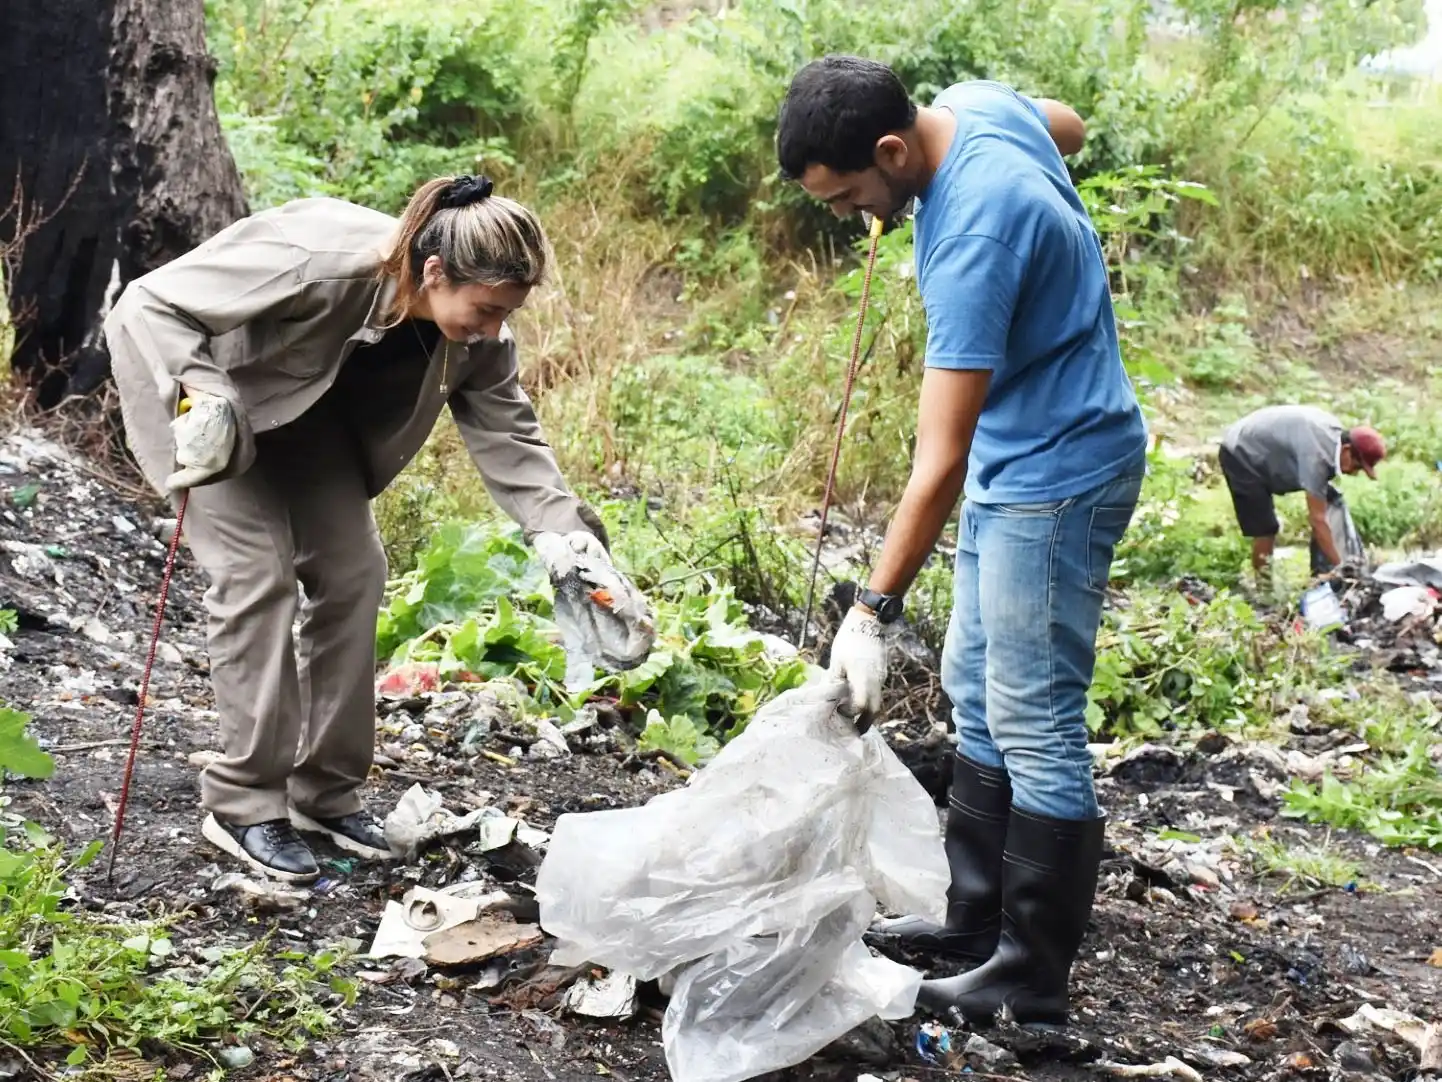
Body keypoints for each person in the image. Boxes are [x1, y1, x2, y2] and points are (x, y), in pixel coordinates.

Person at [105, 175, 620, 883]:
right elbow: (147, 305)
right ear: (434, 271)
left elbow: (510, 434)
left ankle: (325, 793)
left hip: (305, 418)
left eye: (508, 313)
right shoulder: (316, 259)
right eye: (487, 309)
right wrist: (207, 393)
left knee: (354, 573)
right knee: (256, 577)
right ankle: (245, 804)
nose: (495, 329)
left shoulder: (476, 337)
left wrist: (572, 543)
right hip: (212, 409)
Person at [777, 57, 1148, 1026]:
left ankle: (1030, 977)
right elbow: (1062, 122)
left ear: (891, 149)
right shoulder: (972, 112)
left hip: (1056, 472)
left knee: (1032, 716)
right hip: (1016, 453)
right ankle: (973, 922)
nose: (851, 216)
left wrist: (869, 609)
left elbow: (934, 460)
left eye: (850, 194)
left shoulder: (973, 233)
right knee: (974, 686)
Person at [1218, 405, 1384, 583]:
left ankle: (1323, 569)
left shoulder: (1333, 438)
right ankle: (1263, 589)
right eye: (1357, 466)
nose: (1353, 472)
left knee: (1332, 500)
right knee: (1266, 528)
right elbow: (1317, 520)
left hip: (1269, 450)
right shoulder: (1317, 458)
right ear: (1346, 451)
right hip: (1241, 452)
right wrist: (1342, 570)